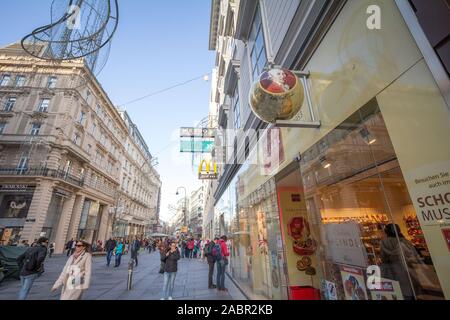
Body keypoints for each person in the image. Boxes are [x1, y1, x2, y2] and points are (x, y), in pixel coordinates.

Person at [380, 223, 423, 300]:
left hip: (391, 273)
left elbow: (383, 258)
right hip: (407, 272)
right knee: (409, 293)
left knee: (397, 294)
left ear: (387, 232)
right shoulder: (405, 241)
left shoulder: (384, 243)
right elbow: (415, 256)